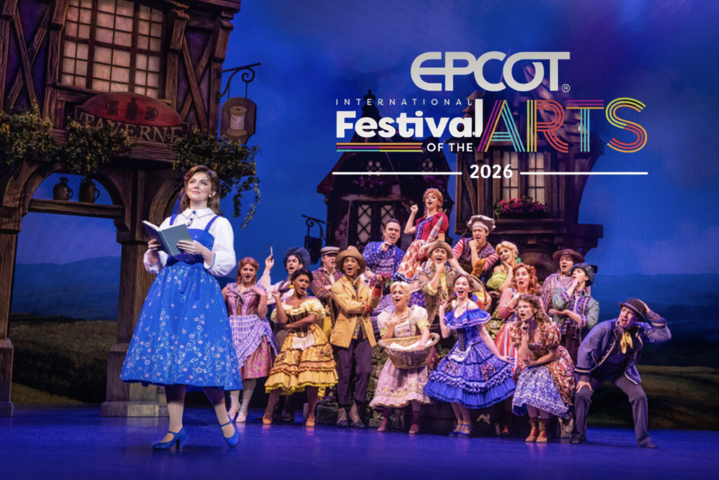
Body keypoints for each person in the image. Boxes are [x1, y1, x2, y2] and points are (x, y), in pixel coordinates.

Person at [120, 165, 240, 449]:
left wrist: (203, 251)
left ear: (212, 191)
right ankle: (175, 428)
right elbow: (158, 264)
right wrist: (154, 252)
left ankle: (223, 418)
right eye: (192, 181)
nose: (196, 185)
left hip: (200, 293)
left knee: (201, 356)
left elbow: (226, 263)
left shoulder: (218, 223)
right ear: (186, 188)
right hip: (170, 291)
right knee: (172, 360)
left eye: (203, 182)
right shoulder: (172, 221)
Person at [423, 274, 515, 437]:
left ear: (469, 288)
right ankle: (459, 422)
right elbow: (445, 334)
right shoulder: (455, 308)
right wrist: (442, 311)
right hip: (458, 350)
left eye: (463, 284)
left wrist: (498, 356)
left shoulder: (471, 306)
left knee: (460, 387)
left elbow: (483, 333)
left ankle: (467, 423)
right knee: (449, 385)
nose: (460, 286)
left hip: (473, 350)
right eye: (457, 283)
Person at [572, 298, 671, 448]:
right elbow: (585, 349)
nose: (624, 315)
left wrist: (648, 311)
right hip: (597, 370)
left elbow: (664, 335)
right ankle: (578, 434)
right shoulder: (605, 328)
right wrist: (584, 377)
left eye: (630, 313)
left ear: (637, 319)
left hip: (621, 371)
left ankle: (643, 439)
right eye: (624, 310)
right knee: (582, 394)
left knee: (640, 397)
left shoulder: (640, 329)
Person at [263, 268, 338, 428]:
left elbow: (310, 319)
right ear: (293, 282)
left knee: (312, 375)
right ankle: (268, 410)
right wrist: (278, 300)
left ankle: (311, 414)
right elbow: (282, 320)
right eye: (301, 280)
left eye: (306, 281)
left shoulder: (312, 300)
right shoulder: (286, 302)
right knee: (281, 372)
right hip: (294, 339)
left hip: (312, 338)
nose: (304, 284)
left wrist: (291, 325)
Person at [330, 246, 383, 428]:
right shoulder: (337, 286)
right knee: (344, 372)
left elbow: (373, 304)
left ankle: (355, 407)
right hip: (345, 333)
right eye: (346, 261)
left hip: (364, 334)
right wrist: (364, 306)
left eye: (353, 261)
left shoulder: (365, 286)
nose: (349, 263)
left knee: (364, 370)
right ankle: (342, 409)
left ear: (359, 265)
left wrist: (378, 288)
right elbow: (348, 306)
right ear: (342, 266)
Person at [510, 295, 575, 443]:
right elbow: (523, 356)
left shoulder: (548, 328)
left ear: (534, 309)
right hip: (531, 361)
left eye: (525, 307)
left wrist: (534, 363)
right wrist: (524, 334)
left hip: (551, 361)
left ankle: (544, 428)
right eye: (519, 307)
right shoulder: (516, 328)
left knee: (541, 380)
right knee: (526, 380)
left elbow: (554, 354)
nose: (521, 310)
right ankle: (534, 426)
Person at [370, 282, 432, 434]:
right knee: (390, 385)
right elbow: (384, 340)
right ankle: (386, 419)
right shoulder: (386, 316)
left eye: (400, 292)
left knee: (414, 387)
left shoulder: (416, 312)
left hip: (414, 356)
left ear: (407, 296)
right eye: (394, 293)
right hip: (397, 357)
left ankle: (415, 422)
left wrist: (422, 344)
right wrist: (392, 325)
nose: (396, 295)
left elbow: (425, 331)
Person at [257, 246, 311, 421]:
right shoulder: (281, 285)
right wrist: (267, 269)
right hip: (278, 329)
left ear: (301, 265)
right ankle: (276, 408)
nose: (290, 263)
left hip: (293, 329)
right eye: (288, 261)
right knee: (279, 367)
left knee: (291, 367)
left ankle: (289, 408)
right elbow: (263, 290)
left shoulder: (300, 285)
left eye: (294, 261)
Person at [223, 257, 279, 423]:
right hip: (233, 328)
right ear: (240, 271)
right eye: (245, 269)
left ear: (255, 273)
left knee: (249, 372)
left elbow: (262, 314)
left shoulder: (259, 290)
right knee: (234, 370)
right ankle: (233, 405)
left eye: (251, 270)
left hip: (252, 329)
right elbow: (217, 306)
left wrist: (262, 296)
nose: (248, 272)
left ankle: (244, 408)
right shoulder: (229, 288)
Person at [396, 188, 449, 281]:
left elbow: (441, 240)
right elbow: (407, 230)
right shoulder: (423, 220)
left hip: (427, 251)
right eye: (427, 197)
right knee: (408, 280)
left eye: (433, 197)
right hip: (415, 251)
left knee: (420, 279)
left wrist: (424, 247)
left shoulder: (438, 217)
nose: (429, 199)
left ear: (438, 202)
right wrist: (413, 213)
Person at [362, 219, 406, 330]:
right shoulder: (372, 246)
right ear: (384, 232)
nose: (393, 232)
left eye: (396, 230)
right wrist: (380, 251)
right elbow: (362, 264)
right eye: (390, 229)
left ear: (399, 235)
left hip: (387, 294)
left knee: (388, 319)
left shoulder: (400, 254)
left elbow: (398, 277)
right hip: (368, 292)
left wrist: (379, 277)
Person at [551, 262, 599, 364]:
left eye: (578, 271)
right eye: (573, 272)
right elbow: (558, 305)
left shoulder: (592, 303)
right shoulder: (561, 292)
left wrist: (568, 312)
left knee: (574, 366)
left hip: (577, 340)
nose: (574, 273)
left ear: (586, 277)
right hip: (560, 337)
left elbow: (591, 323)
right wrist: (572, 286)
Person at [417, 241, 461, 325]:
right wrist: (438, 272)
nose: (440, 254)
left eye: (443, 252)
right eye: (436, 251)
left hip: (452, 313)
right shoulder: (423, 274)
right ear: (431, 255)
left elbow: (468, 281)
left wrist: (480, 289)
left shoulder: (453, 272)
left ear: (447, 257)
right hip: (434, 316)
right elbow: (429, 291)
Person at [310, 246, 343, 340]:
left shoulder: (342, 275)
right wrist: (337, 288)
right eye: (330, 256)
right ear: (323, 258)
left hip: (339, 313)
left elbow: (347, 292)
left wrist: (329, 287)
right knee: (322, 341)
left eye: (335, 256)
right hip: (323, 314)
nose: (333, 258)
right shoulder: (315, 274)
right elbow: (321, 292)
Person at [451, 215, 499, 280]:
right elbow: (451, 257)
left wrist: (473, 248)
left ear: (487, 233)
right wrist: (462, 272)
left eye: (479, 230)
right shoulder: (463, 242)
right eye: (474, 231)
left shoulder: (493, 253)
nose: (476, 233)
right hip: (457, 276)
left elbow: (477, 268)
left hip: (475, 280)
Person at [540, 248, 584, 318]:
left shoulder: (579, 280)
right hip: (550, 318)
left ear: (574, 263)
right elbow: (543, 301)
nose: (564, 262)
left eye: (568, 259)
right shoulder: (550, 278)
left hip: (569, 319)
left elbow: (582, 304)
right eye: (561, 259)